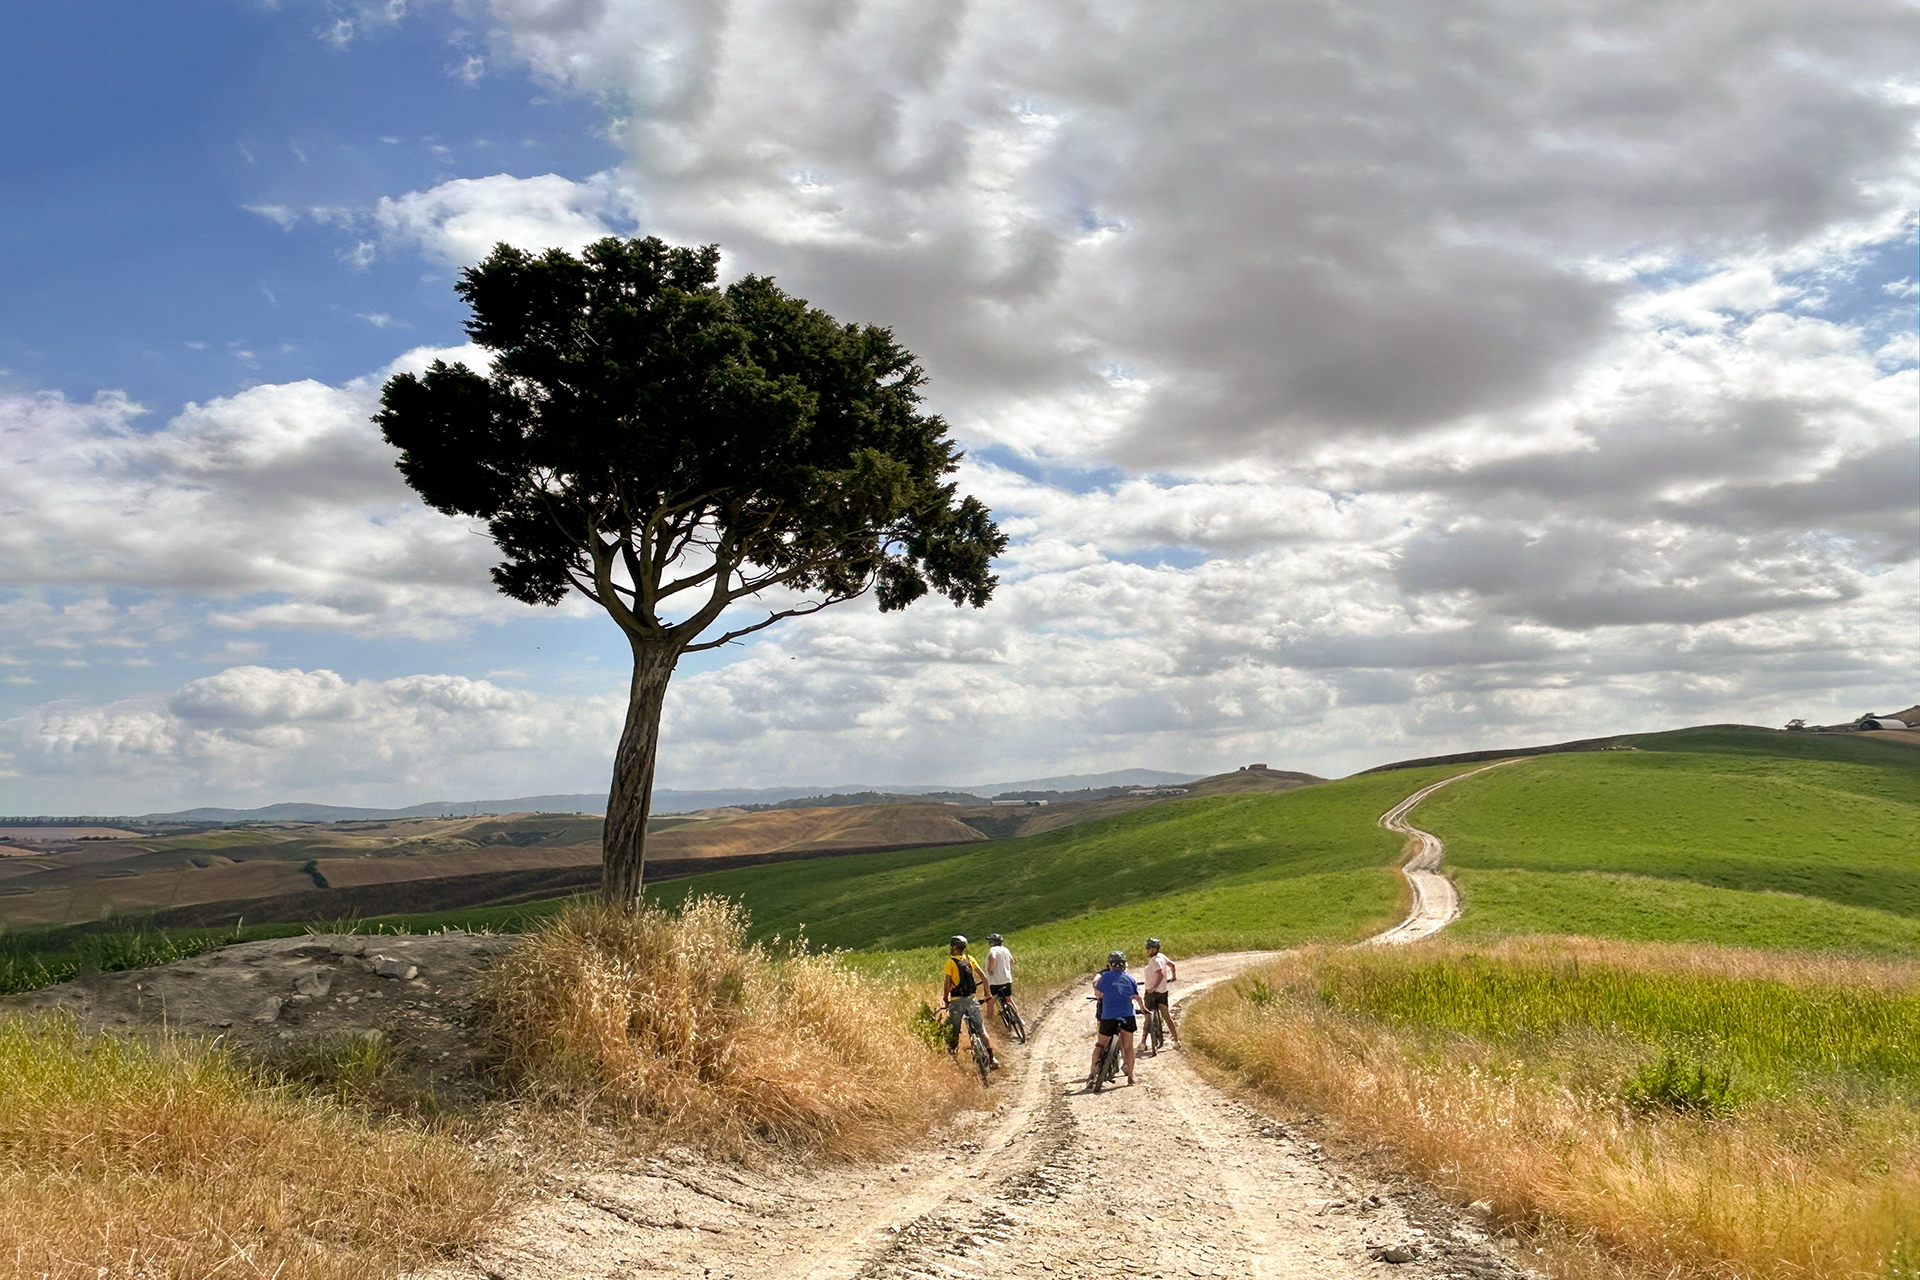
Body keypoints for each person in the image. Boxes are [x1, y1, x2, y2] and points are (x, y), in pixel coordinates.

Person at [941, 935, 1000, 1070]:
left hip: (956, 1002)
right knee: (981, 1030)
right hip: (971, 999)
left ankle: (953, 1058)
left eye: (951, 946)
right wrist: (988, 993)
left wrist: (946, 999)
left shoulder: (950, 963)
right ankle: (992, 1058)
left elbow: (947, 984)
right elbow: (984, 976)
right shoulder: (970, 959)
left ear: (955, 948)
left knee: (954, 1031)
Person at [1088, 949, 1144, 1087]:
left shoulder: (1105, 977)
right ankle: (1131, 1077)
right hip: (1127, 1015)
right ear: (1124, 964)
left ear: (1110, 964)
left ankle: (1092, 1074)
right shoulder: (1130, 978)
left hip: (1108, 1016)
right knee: (1128, 1046)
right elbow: (1135, 996)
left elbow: (1099, 992)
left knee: (1100, 1045)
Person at [1141, 937, 1180, 1049]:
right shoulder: (1162, 956)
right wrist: (1173, 977)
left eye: (1148, 948)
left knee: (1147, 1017)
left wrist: (1153, 987)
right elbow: (1172, 965)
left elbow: (1160, 974)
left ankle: (1143, 1043)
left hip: (1152, 992)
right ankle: (1176, 1040)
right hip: (1163, 992)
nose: (1147, 950)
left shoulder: (1155, 961)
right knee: (1167, 1017)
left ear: (1153, 949)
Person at [984, 932, 1019, 1027]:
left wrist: (990, 969)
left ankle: (990, 1024)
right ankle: (1019, 1019)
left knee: (990, 1002)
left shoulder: (993, 950)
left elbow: (993, 957)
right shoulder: (1005, 950)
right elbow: (1012, 961)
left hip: (995, 981)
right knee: (1009, 1000)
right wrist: (1007, 970)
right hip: (1007, 979)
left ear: (993, 942)